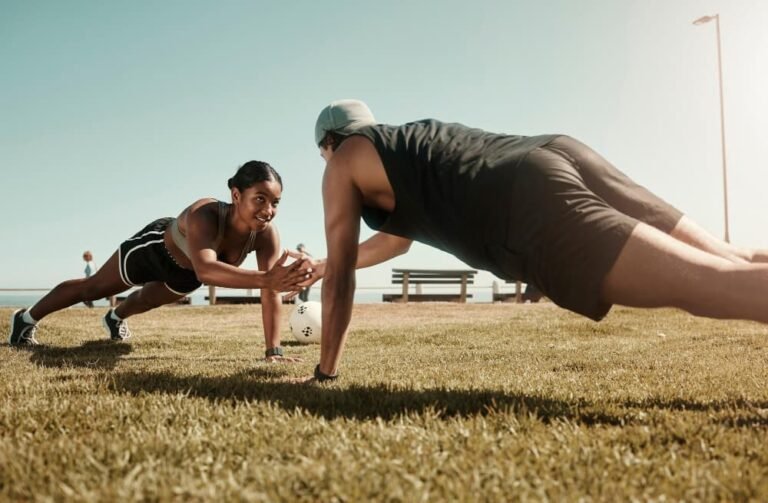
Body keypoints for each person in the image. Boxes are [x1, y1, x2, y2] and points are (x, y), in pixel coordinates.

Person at [304, 98, 768, 382]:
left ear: (328, 143)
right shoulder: (401, 151)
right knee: (732, 257)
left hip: (524, 199)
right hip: (555, 150)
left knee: (708, 284)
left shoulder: (343, 161)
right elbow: (394, 243)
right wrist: (325, 264)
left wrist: (326, 372)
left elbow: (342, 279)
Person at [9, 161, 312, 362]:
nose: (268, 210)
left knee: (146, 301)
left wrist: (274, 351)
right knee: (94, 288)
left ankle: (114, 319)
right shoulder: (205, 213)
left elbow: (270, 290)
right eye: (260, 199)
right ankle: (26, 319)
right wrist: (266, 279)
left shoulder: (266, 235)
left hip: (185, 274)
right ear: (236, 195)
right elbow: (207, 269)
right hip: (154, 251)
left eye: (275, 202)